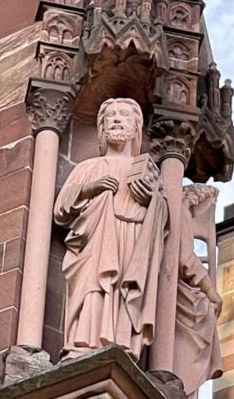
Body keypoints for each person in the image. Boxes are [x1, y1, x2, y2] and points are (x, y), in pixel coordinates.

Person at [54, 98, 168, 359]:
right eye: (111, 116)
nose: (117, 119)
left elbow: (163, 224)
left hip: (133, 238)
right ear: (103, 127)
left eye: (125, 115)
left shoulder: (147, 172)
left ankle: (122, 342)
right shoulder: (90, 167)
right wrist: (91, 188)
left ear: (136, 127)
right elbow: (61, 208)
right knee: (95, 287)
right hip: (97, 238)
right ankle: (85, 343)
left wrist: (152, 199)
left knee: (125, 289)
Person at [174, 183, 223, 399]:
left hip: (180, 289)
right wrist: (210, 290)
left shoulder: (180, 210)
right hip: (180, 292)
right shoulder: (181, 210)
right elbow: (185, 259)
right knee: (201, 312)